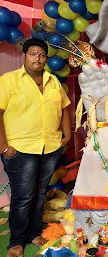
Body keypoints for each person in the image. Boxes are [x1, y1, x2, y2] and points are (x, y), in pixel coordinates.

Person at [0, 38, 71, 257]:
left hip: (49, 146)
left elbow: (64, 109)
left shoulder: (53, 81)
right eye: (32, 54)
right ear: (24, 56)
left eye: (41, 55)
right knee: (23, 197)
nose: (37, 59)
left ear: (45, 59)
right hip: (20, 148)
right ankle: (16, 243)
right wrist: (3, 147)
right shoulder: (9, 80)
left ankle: (33, 234)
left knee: (40, 193)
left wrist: (67, 135)